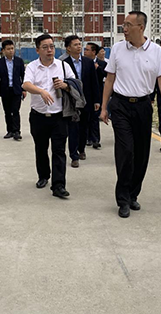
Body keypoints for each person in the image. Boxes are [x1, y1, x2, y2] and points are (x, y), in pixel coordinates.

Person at [100, 11, 161, 218]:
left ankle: (133, 194)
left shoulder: (156, 51)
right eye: (123, 25)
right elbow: (110, 79)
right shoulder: (118, 49)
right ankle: (123, 199)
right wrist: (104, 107)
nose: (124, 29)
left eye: (128, 25)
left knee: (141, 154)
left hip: (143, 106)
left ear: (140, 27)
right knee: (125, 152)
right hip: (120, 105)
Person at [23, 34, 76, 199]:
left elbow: (75, 84)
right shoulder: (32, 67)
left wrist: (65, 85)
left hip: (59, 116)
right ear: (37, 50)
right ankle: (43, 175)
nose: (49, 50)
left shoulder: (63, 66)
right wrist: (41, 91)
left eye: (52, 46)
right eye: (45, 47)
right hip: (38, 116)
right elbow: (26, 84)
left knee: (59, 150)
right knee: (41, 148)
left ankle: (59, 185)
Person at [63, 35, 100, 167]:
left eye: (80, 44)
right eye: (75, 44)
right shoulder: (64, 64)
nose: (79, 47)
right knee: (73, 128)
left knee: (84, 127)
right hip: (72, 101)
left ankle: (81, 149)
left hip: (86, 100)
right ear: (68, 48)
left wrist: (97, 100)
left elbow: (94, 82)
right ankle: (74, 156)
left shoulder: (88, 62)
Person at [0, 40, 26, 141]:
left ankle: (17, 131)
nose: (11, 51)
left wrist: (24, 89)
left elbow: (23, 76)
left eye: (12, 48)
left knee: (15, 111)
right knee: (7, 111)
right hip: (5, 90)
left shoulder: (19, 61)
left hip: (17, 90)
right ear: (3, 50)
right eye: (8, 49)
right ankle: (10, 131)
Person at [84, 42, 107, 149]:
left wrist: (98, 68)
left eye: (87, 50)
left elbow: (106, 75)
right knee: (86, 117)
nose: (85, 52)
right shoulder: (83, 62)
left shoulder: (102, 63)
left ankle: (95, 139)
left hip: (98, 93)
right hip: (86, 93)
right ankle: (87, 137)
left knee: (95, 117)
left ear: (94, 52)